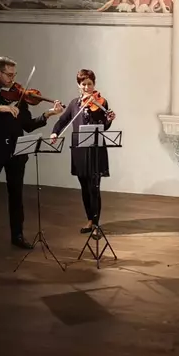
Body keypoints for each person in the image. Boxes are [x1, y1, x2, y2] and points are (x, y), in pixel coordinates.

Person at [0, 57, 63, 256]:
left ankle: (17, 235)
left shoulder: (19, 96)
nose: (13, 79)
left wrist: (48, 114)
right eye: (9, 75)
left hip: (16, 152)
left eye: (14, 75)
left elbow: (28, 125)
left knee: (16, 195)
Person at [49, 69, 117, 235]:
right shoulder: (74, 104)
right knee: (85, 187)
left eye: (90, 84)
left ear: (94, 84)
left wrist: (109, 120)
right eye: (83, 84)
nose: (87, 87)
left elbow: (103, 126)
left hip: (95, 150)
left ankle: (96, 224)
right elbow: (63, 121)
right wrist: (55, 132)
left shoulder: (101, 102)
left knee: (94, 187)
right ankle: (89, 220)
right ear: (78, 85)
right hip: (79, 150)